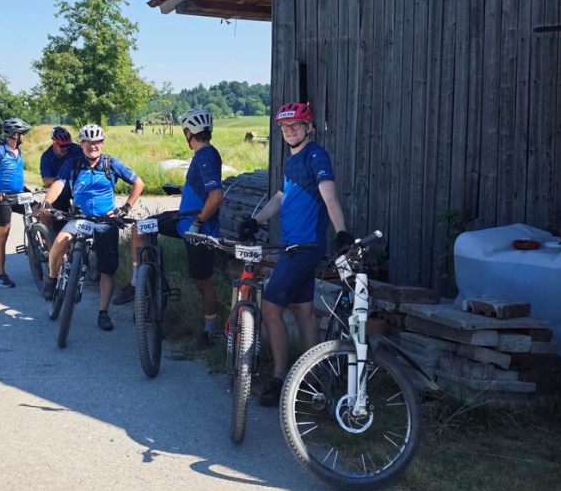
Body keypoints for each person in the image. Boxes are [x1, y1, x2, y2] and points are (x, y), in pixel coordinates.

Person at [241, 101, 352, 407]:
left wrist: (341, 232)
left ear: (309, 127)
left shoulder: (315, 155)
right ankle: (314, 378)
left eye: (296, 126)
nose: (290, 132)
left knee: (272, 308)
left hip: (304, 248)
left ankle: (280, 378)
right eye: (285, 128)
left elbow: (329, 196)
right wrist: (256, 220)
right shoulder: (291, 161)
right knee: (303, 310)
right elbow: (280, 197)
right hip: (293, 245)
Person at [116, 109, 223, 349]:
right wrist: (182, 190)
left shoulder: (205, 156)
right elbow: (203, 190)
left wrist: (197, 223)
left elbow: (216, 197)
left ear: (188, 133)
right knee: (141, 229)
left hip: (197, 229)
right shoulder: (205, 155)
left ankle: (210, 333)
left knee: (202, 281)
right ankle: (142, 281)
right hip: (182, 221)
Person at [40, 124, 144, 332]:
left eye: (96, 142)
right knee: (59, 244)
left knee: (108, 268)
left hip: (106, 220)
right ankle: (52, 280)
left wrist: (125, 208)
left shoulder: (111, 163)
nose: (92, 146)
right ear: (82, 144)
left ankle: (103, 313)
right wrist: (47, 203)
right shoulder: (72, 163)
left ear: (102, 143)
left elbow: (138, 183)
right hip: (79, 217)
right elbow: (58, 185)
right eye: (88, 142)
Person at [0, 118, 32, 288]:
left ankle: (47, 259)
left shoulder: (19, 151)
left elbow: (16, 174)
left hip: (20, 195)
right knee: (3, 234)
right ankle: (0, 275)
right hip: (3, 199)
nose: (24, 137)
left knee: (42, 213)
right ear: (15, 135)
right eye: (23, 134)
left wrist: (25, 188)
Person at [38, 126, 83, 233]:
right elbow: (46, 180)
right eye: (62, 146)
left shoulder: (75, 149)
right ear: (54, 143)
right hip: (60, 190)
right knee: (57, 222)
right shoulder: (47, 156)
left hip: (76, 186)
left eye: (68, 145)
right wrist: (62, 180)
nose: (66, 148)